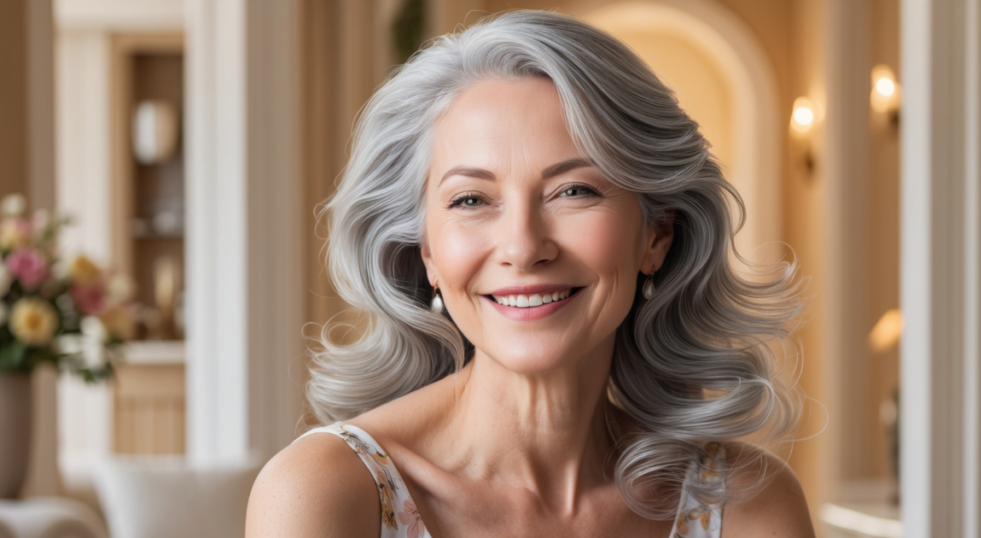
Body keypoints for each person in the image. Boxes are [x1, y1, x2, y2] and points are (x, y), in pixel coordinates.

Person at [247, 10, 815, 538]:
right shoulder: (326, 492)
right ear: (426, 250)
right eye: (471, 199)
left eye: (575, 190)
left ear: (657, 235)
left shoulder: (744, 507)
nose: (522, 247)